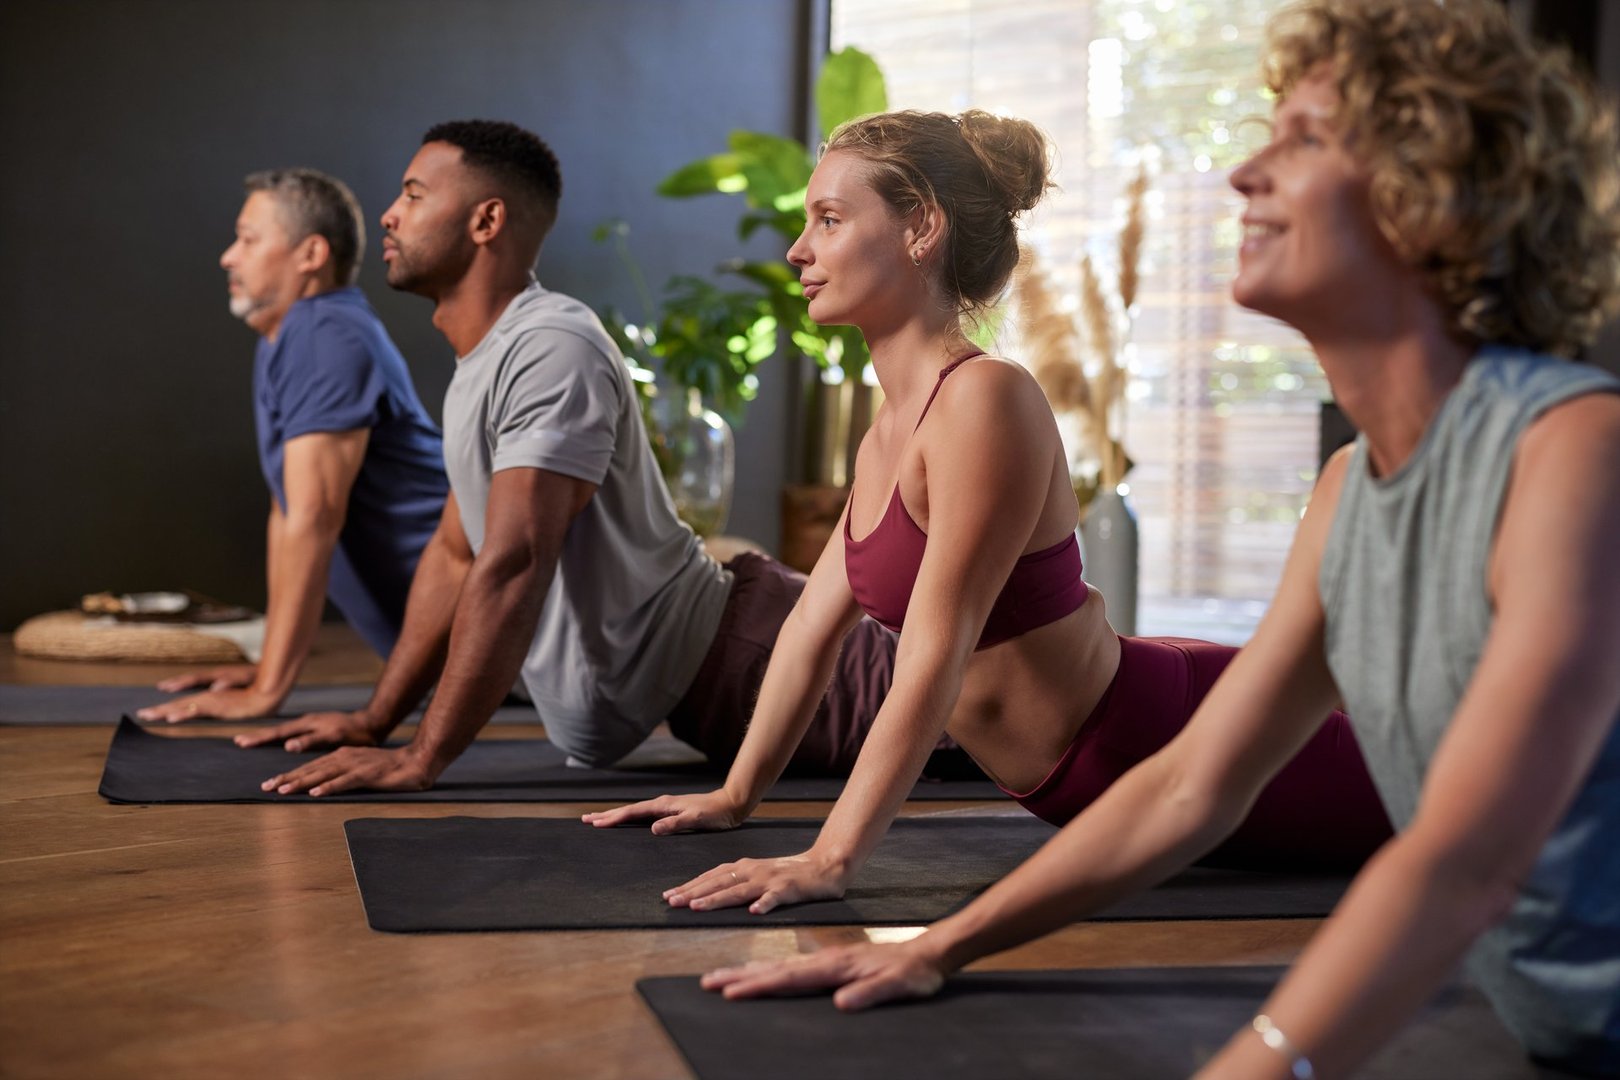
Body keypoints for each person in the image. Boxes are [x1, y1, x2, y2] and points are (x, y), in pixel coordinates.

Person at [694, 1, 1620, 1075]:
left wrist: (1254, 1063)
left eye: (1305, 139)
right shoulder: (1348, 491)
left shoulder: (1574, 451)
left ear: (1434, 202)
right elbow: (1191, 789)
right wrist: (938, 951)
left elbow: (1465, 863)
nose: (1242, 174)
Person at [582, 104, 1394, 908]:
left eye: (829, 220)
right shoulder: (884, 439)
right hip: (1090, 778)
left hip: (1169, 740)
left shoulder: (984, 401)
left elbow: (935, 651)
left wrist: (832, 859)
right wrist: (735, 798)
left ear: (920, 228)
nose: (800, 250)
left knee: (1450, 799)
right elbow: (808, 631)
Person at [234, 120, 898, 794]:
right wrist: (376, 722)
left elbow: (515, 559)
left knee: (985, 718)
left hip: (762, 657)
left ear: (485, 220)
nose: (389, 214)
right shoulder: (486, 361)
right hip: (721, 680)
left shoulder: (552, 348)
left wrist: (422, 756)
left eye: (412, 194)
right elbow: (454, 553)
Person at [138, 168, 448, 723]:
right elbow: (288, 512)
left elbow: (314, 518)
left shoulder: (324, 334)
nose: (228, 257)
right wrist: (269, 666)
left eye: (249, 239)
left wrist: (266, 695)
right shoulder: (292, 333)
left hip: (504, 653)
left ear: (311, 254)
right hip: (440, 656)